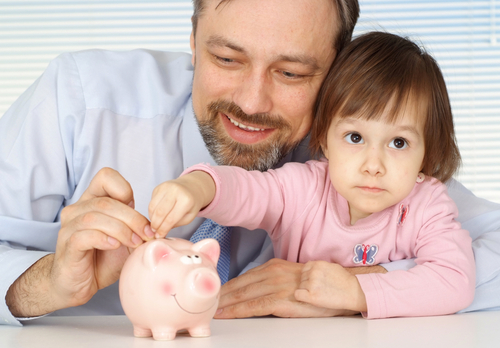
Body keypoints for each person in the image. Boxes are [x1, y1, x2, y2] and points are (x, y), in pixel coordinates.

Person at [0, 0, 498, 326]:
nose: (253, 101)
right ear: (194, 40)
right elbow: (239, 192)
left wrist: (347, 285)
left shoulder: (363, 151)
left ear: (339, 72)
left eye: (291, 71)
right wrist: (43, 284)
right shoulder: (77, 100)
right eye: (227, 59)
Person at [148, 32, 476, 318]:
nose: (373, 164)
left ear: (426, 153)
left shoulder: (427, 204)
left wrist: (355, 290)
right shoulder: (304, 188)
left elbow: (454, 281)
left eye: (399, 142)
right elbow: (248, 191)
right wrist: (198, 186)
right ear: (325, 139)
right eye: (355, 138)